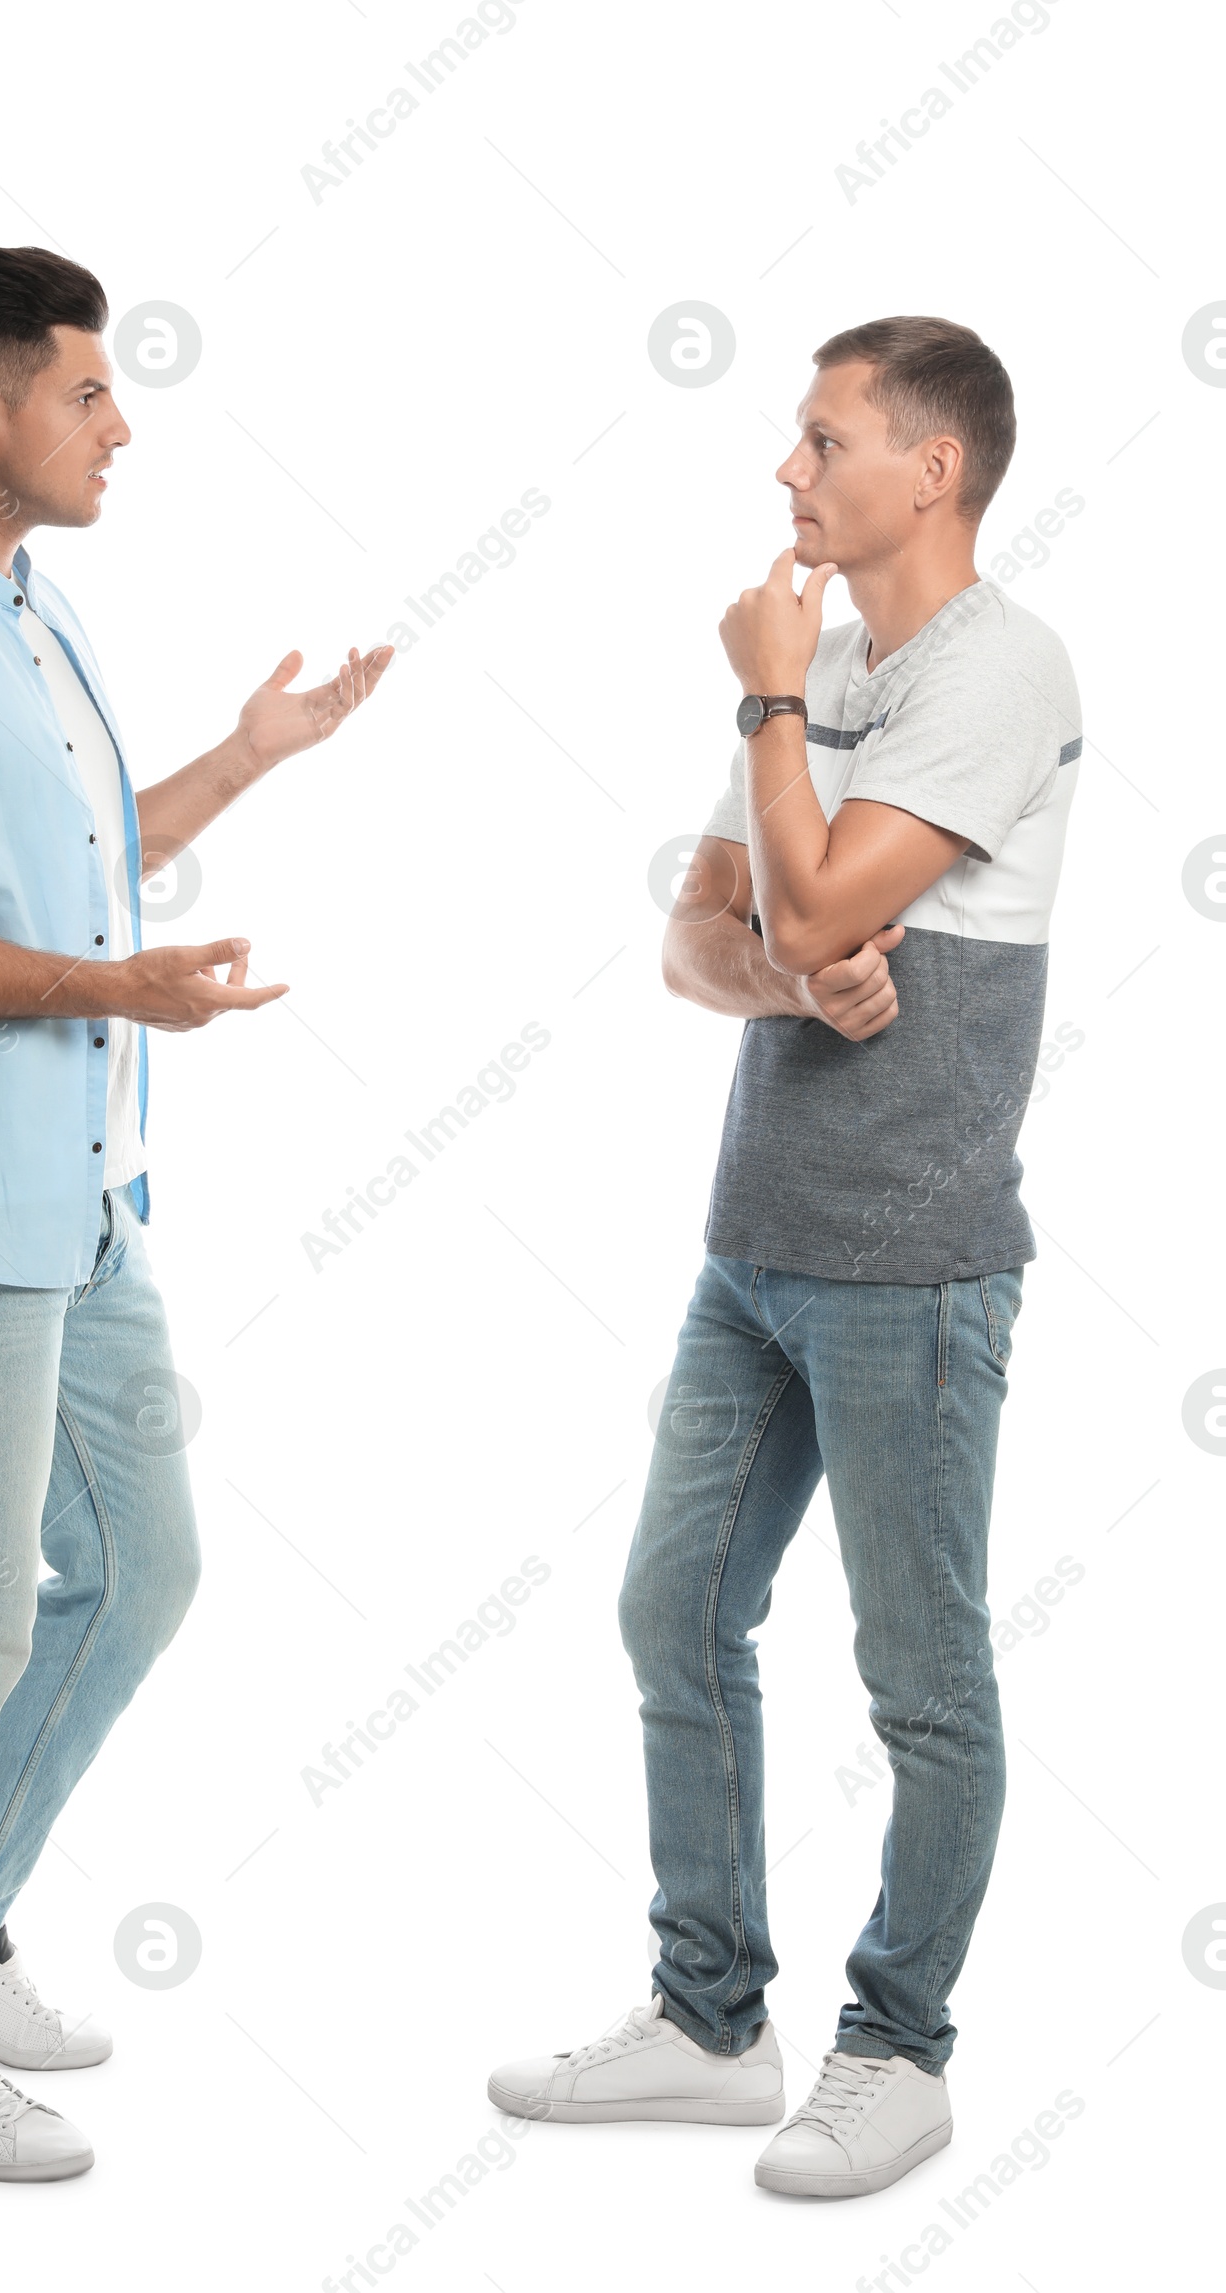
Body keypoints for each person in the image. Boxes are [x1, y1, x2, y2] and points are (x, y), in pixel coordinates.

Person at [0, 243, 392, 2182]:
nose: (117, 423)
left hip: (78, 1185)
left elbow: (87, 862)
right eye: (86, 393)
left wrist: (243, 759)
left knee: (141, 1566)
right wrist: (108, 994)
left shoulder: (33, 608)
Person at [488, 316, 1080, 2199]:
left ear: (935, 472)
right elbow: (701, 935)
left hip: (911, 1266)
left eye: (822, 442)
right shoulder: (822, 660)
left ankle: (898, 2047)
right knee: (676, 1612)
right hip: (754, 1244)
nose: (788, 473)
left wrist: (764, 727)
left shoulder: (999, 670)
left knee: (922, 1678)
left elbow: (812, 885)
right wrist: (792, 977)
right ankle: (710, 2018)